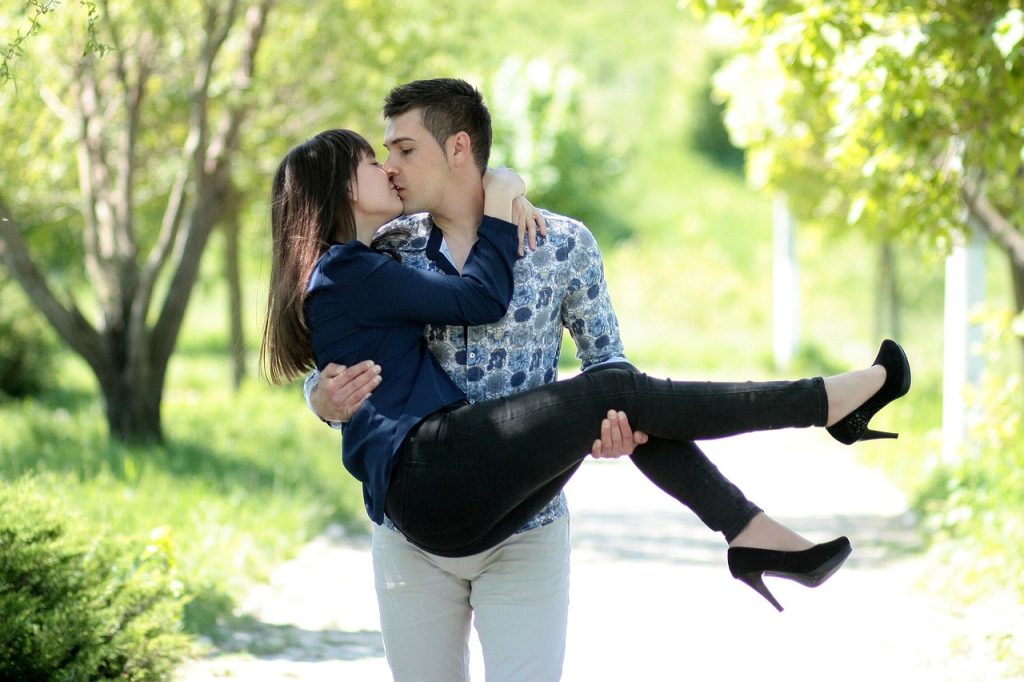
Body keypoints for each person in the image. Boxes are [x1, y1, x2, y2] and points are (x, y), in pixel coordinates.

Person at [295, 79, 895, 682]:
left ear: (457, 148)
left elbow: (610, 367)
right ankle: (797, 448)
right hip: (414, 530)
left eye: (404, 150)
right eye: (384, 155)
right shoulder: (388, 246)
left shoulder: (559, 244)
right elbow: (336, 345)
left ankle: (761, 511)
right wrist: (320, 398)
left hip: (525, 531)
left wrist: (614, 433)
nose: (392, 168)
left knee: (621, 393)